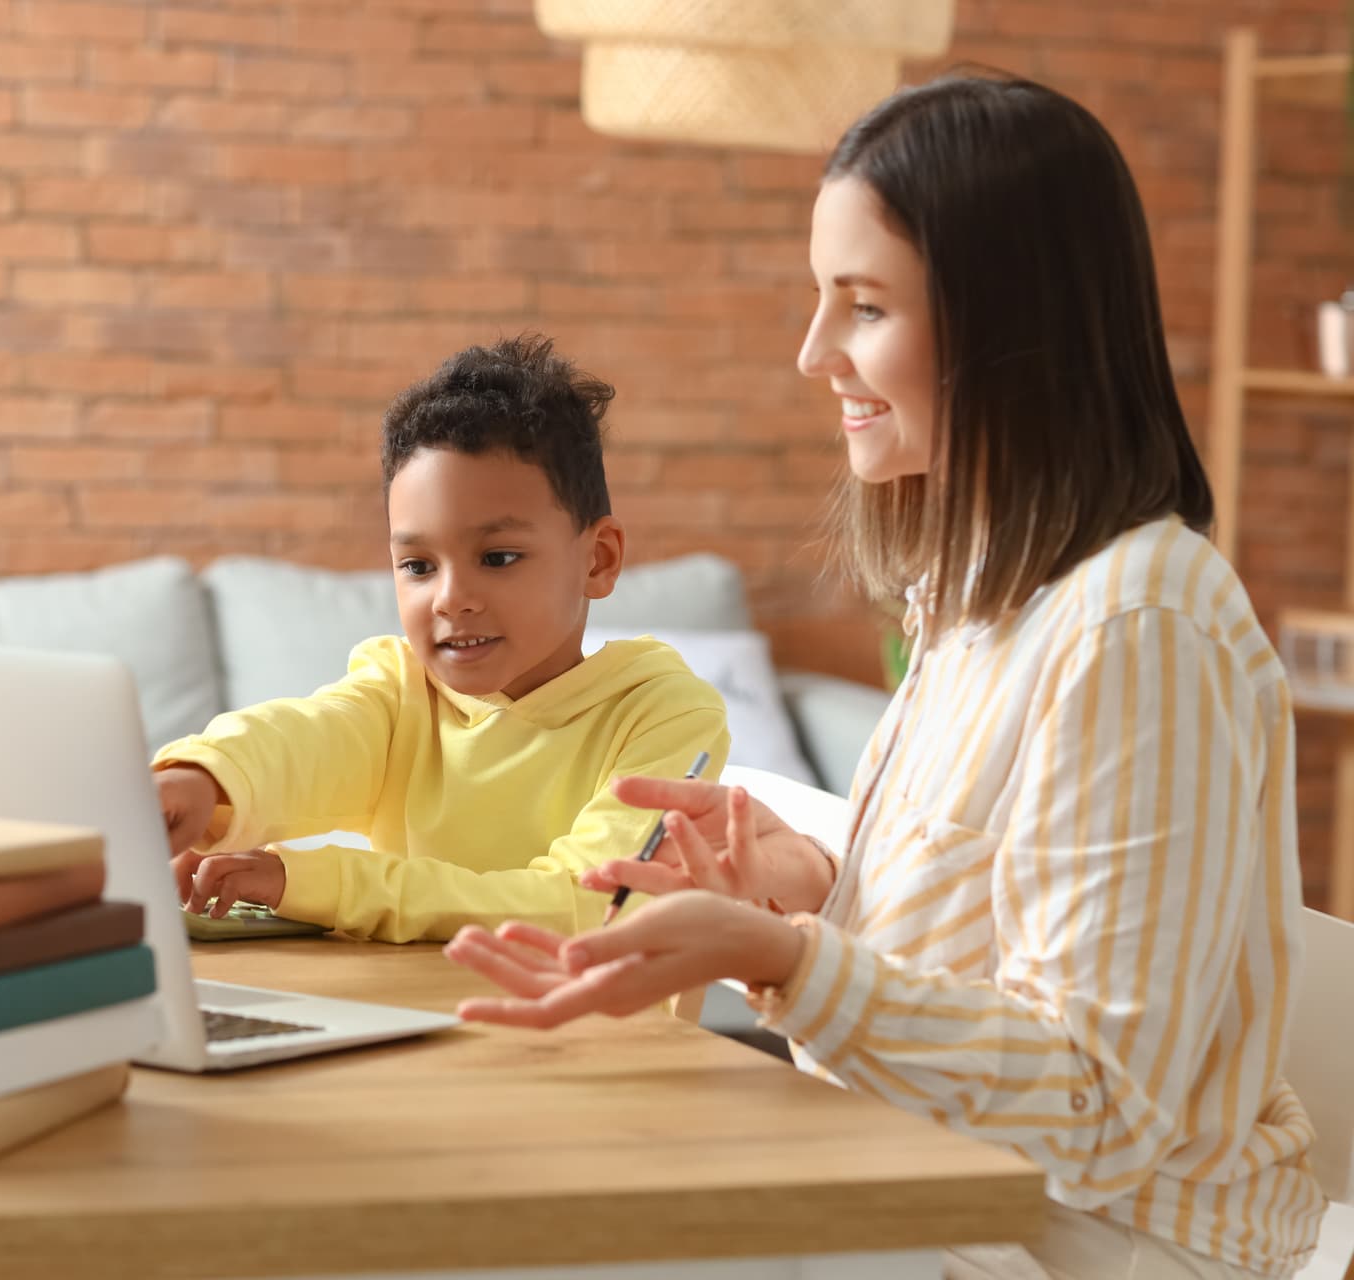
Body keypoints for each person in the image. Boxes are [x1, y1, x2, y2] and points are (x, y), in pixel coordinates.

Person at [444, 77, 1325, 1278]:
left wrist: (786, 960)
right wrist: (816, 876)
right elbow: (1003, 915)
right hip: (941, 1183)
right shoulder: (979, 597)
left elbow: (1108, 1106)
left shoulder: (1139, 624)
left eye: (863, 306)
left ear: (1013, 323)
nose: (814, 353)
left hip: (1085, 1242)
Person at [152, 335, 730, 944]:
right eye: (419, 566)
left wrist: (321, 884)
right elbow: (311, 737)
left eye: (498, 556)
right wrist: (206, 776)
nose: (450, 598)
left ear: (598, 560)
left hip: (595, 1036)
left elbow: (586, 907)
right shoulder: (400, 693)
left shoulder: (666, 716)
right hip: (415, 1023)